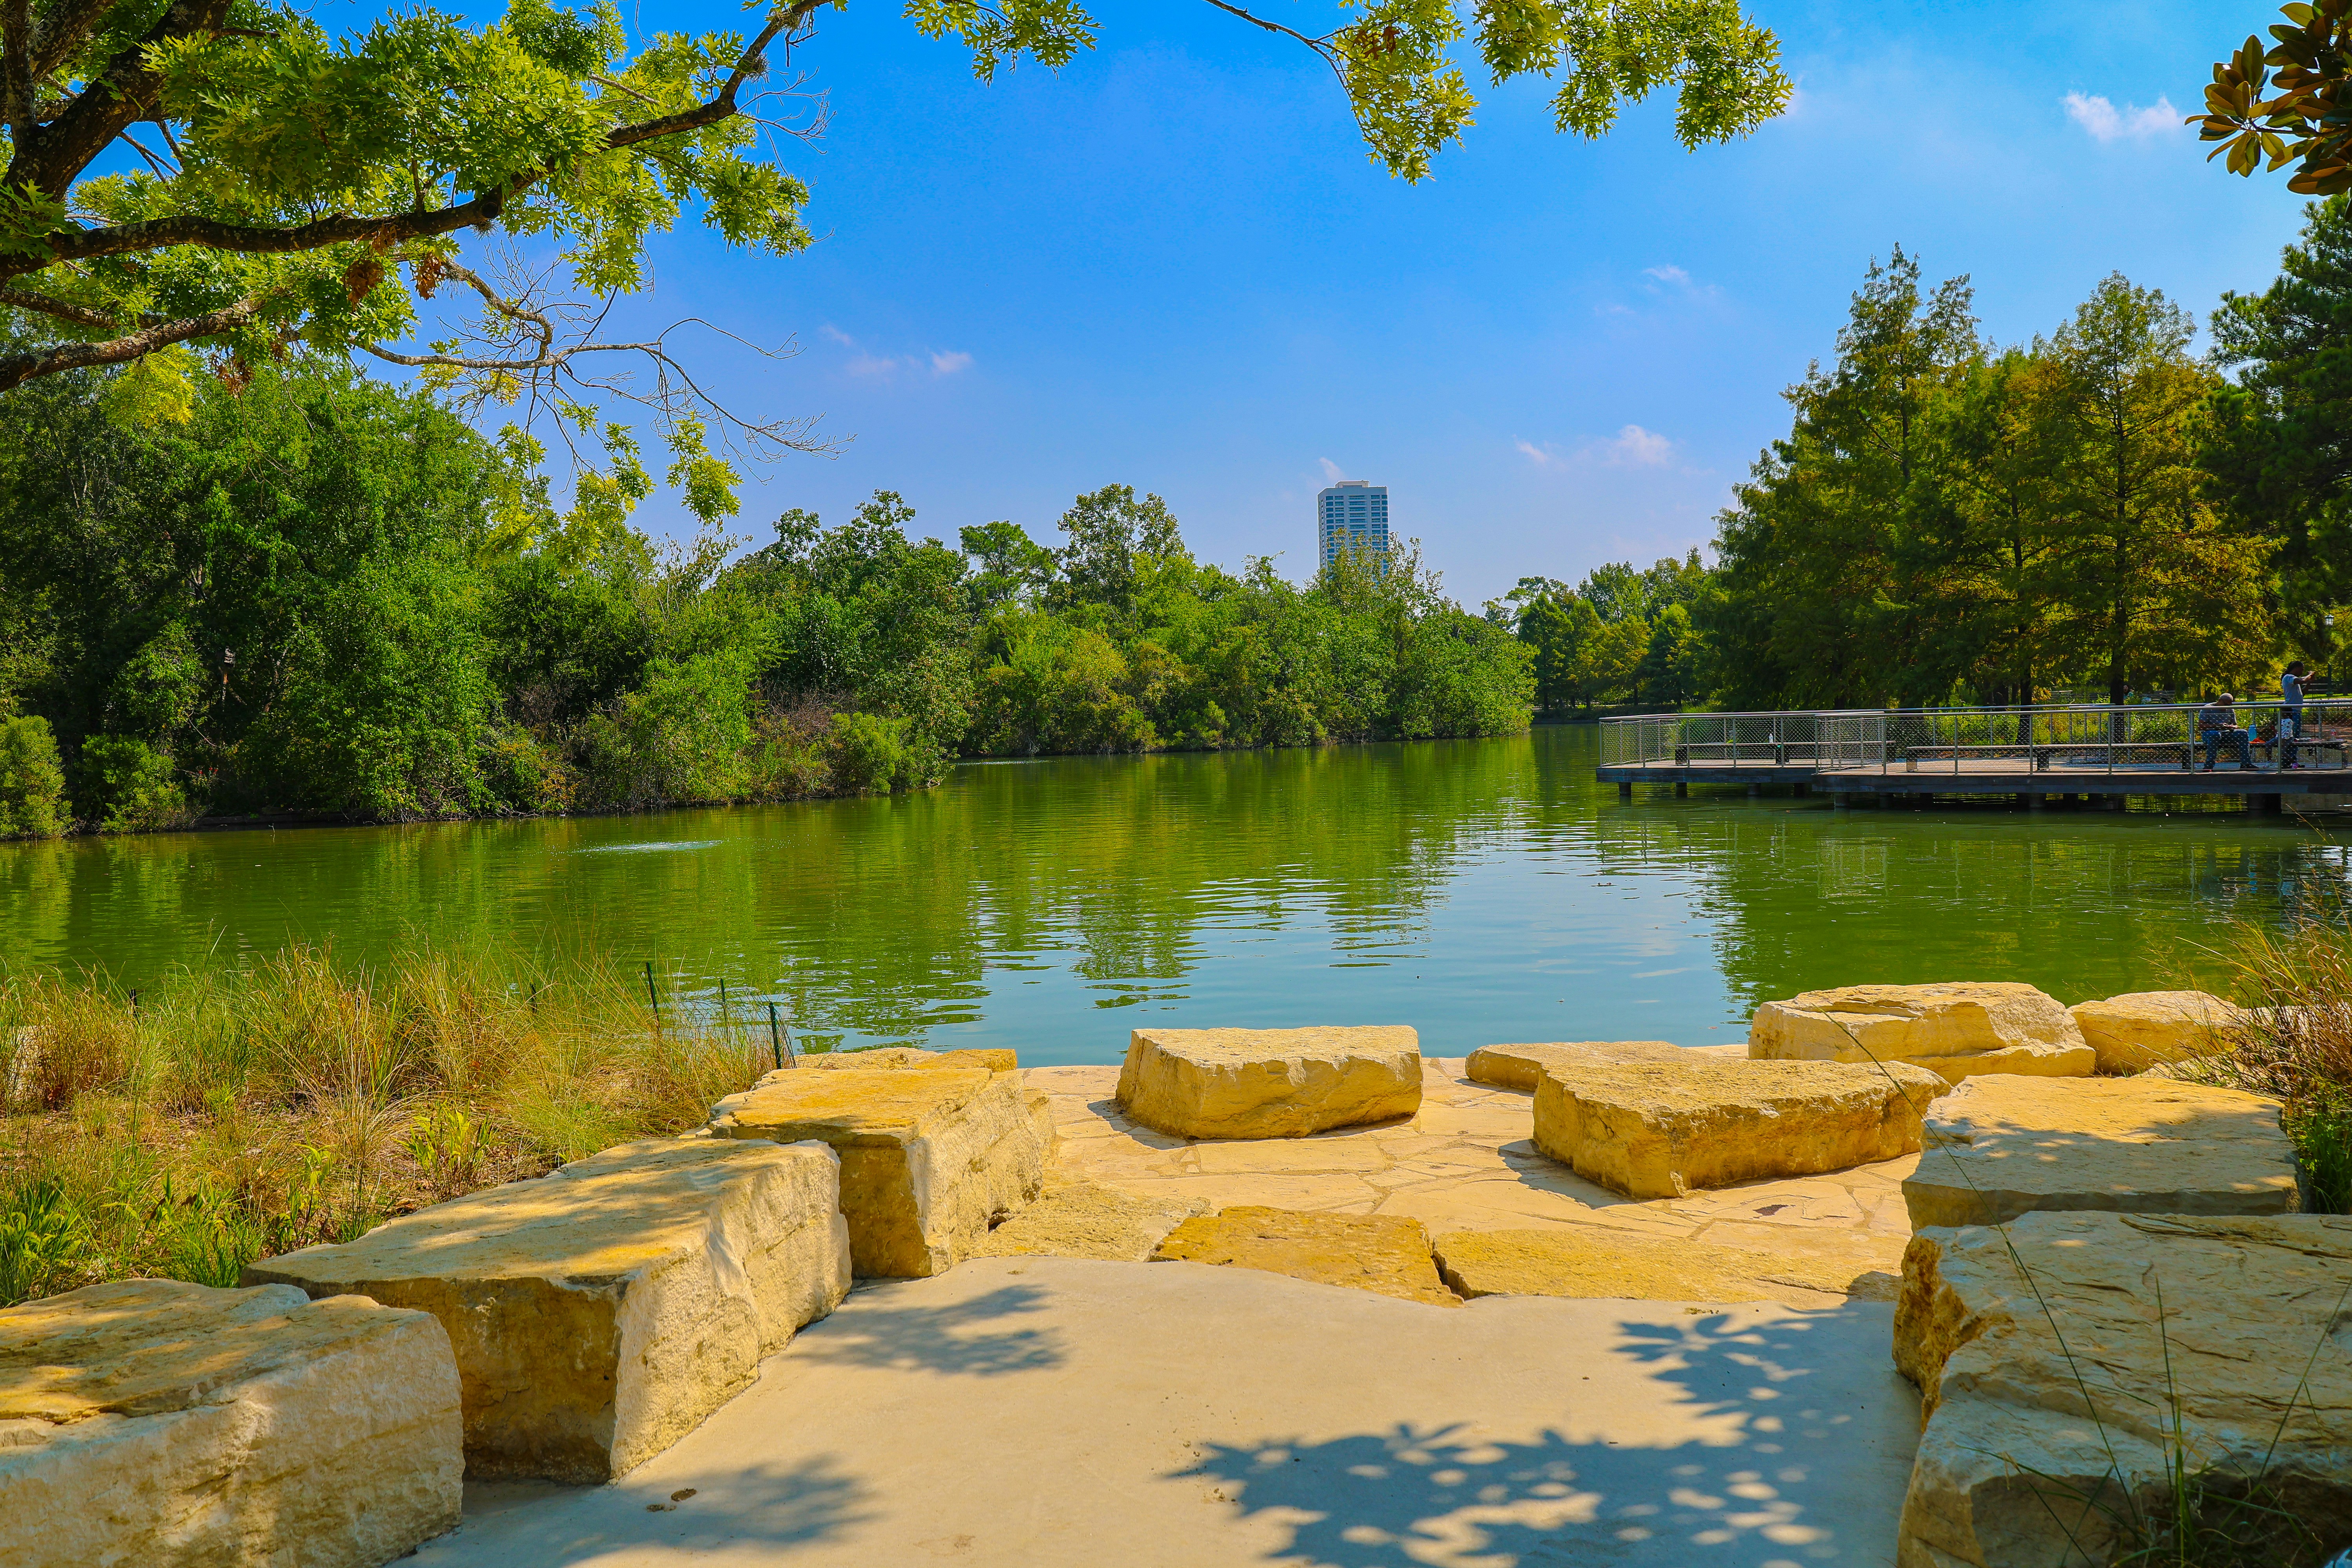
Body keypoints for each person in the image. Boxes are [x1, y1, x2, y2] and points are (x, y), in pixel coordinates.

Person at [2200, 692, 2252, 771]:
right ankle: (2209, 766)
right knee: (2215, 735)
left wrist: (2233, 727)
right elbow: (2201, 726)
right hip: (2210, 734)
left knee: (2243, 733)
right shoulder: (2208, 708)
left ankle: (2246, 764)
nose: (2226, 707)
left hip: (2226, 734)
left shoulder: (2230, 709)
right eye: (2225, 704)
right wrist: (2217, 726)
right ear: (2220, 700)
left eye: (2229, 705)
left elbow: (2235, 725)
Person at [2281, 660, 2309, 769]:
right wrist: (2309, 676)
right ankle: (2287, 761)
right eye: (2302, 669)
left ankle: (2294, 761)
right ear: (2296, 668)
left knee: (2296, 738)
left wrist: (2310, 682)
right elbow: (2302, 680)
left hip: (2297, 711)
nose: (2303, 671)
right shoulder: (2289, 677)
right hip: (2291, 711)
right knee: (2290, 738)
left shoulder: (2295, 681)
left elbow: (2303, 694)